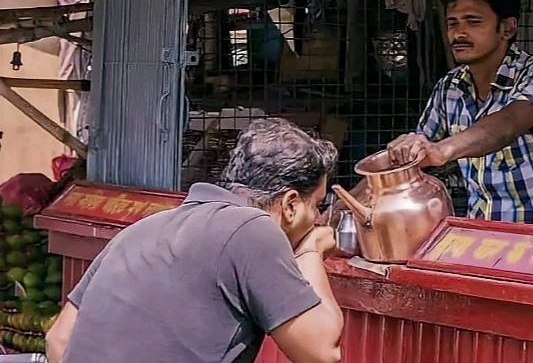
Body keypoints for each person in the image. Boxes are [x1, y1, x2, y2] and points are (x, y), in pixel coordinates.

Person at [45, 118, 343, 363]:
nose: (317, 219)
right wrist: (309, 250)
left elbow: (58, 339)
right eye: (316, 206)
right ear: (290, 205)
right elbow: (322, 352)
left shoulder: (142, 229)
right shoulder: (254, 228)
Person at [352, 0, 533, 226]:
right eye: (452, 23)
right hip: (477, 239)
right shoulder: (449, 87)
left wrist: (440, 151)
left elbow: (506, 125)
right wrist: (337, 209)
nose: (458, 33)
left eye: (473, 22)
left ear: (507, 28)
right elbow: (408, 162)